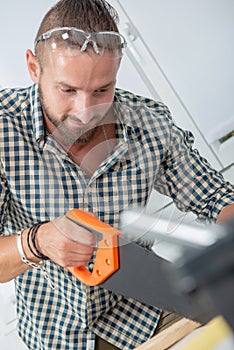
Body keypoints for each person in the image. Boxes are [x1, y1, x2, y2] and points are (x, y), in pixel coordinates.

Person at [0, 0, 233, 349]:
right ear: (34, 68)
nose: (85, 111)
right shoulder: (3, 129)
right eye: (68, 90)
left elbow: (216, 198)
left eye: (101, 90)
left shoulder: (148, 123)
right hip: (56, 333)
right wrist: (35, 242)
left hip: (147, 313)